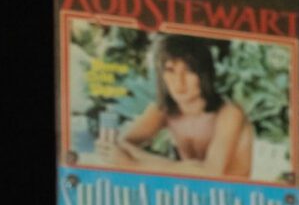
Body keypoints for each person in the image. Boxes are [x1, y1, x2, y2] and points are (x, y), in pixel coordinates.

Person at [103, 35, 250, 180]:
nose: (179, 82)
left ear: (204, 74)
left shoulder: (230, 113)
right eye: (170, 70)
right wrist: (186, 168)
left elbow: (211, 174)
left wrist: (136, 164)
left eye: (189, 70)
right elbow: (121, 144)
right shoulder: (163, 110)